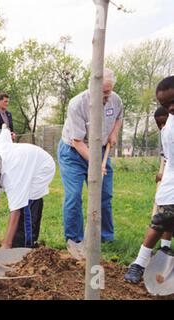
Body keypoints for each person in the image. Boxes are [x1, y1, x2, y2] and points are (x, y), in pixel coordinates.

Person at [58, 69, 123, 254]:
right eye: (103, 92)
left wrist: (113, 133)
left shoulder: (115, 100)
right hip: (73, 153)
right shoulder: (77, 104)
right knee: (74, 195)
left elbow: (118, 116)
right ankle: (75, 239)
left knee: (104, 194)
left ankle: (105, 236)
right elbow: (77, 142)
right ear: (91, 87)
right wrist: (96, 164)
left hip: (101, 150)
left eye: (108, 91)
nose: (106, 96)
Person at [124, 76, 174, 284]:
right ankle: (140, 263)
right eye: (164, 105)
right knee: (162, 219)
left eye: (173, 102)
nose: (169, 108)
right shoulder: (169, 128)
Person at [0, 128, 56, 248]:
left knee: (27, 203)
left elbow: (15, 211)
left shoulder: (13, 176)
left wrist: (6, 243)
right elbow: (5, 131)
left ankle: (26, 244)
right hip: (29, 160)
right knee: (24, 201)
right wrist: (8, 132)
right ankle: (21, 240)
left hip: (42, 167)